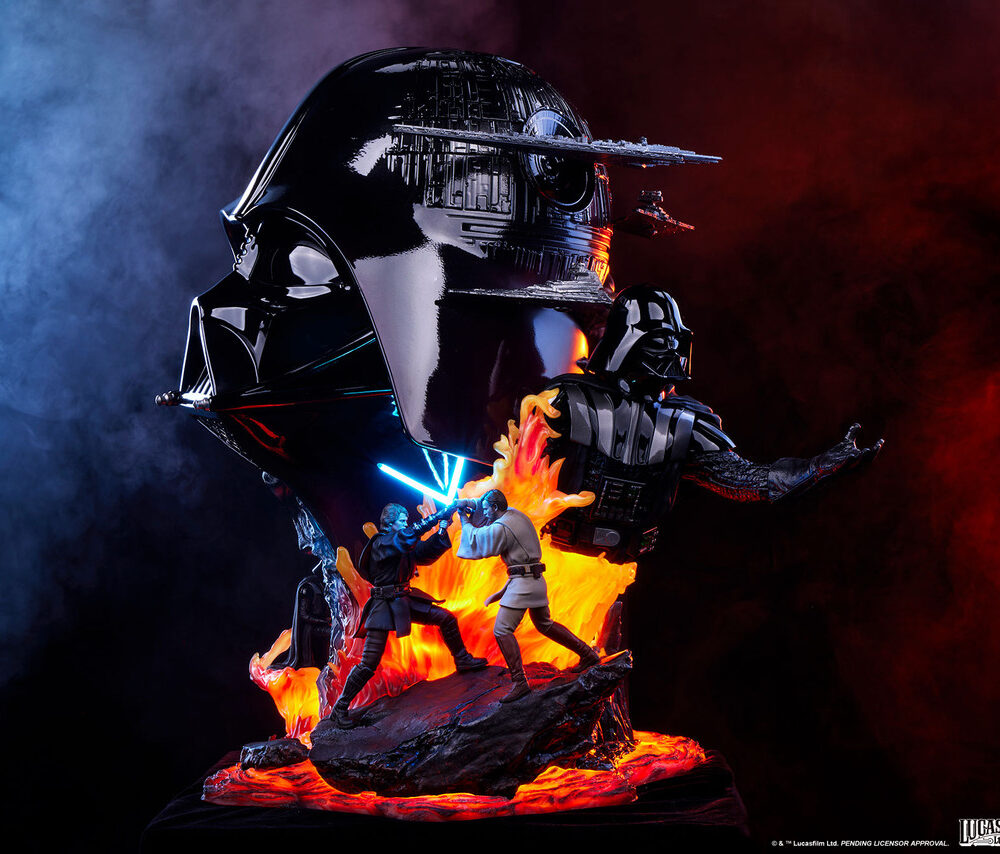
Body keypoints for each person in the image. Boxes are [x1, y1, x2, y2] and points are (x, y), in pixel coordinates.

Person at [329, 502, 487, 727]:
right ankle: (340, 707)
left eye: (406, 521)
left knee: (446, 618)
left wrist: (442, 529)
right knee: (369, 662)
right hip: (383, 605)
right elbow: (407, 537)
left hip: (404, 599)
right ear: (390, 523)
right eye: (402, 521)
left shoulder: (401, 542)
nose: (406, 524)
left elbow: (423, 554)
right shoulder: (382, 543)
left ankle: (462, 659)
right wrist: (441, 514)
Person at [456, 490, 600, 703]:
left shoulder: (502, 527)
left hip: (523, 583)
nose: (484, 512)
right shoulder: (514, 513)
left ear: (495, 507)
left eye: (486, 509)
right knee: (544, 624)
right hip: (534, 580)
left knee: (502, 630)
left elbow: (479, 541)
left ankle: (520, 682)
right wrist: (470, 503)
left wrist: (463, 518)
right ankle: (588, 654)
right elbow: (486, 508)